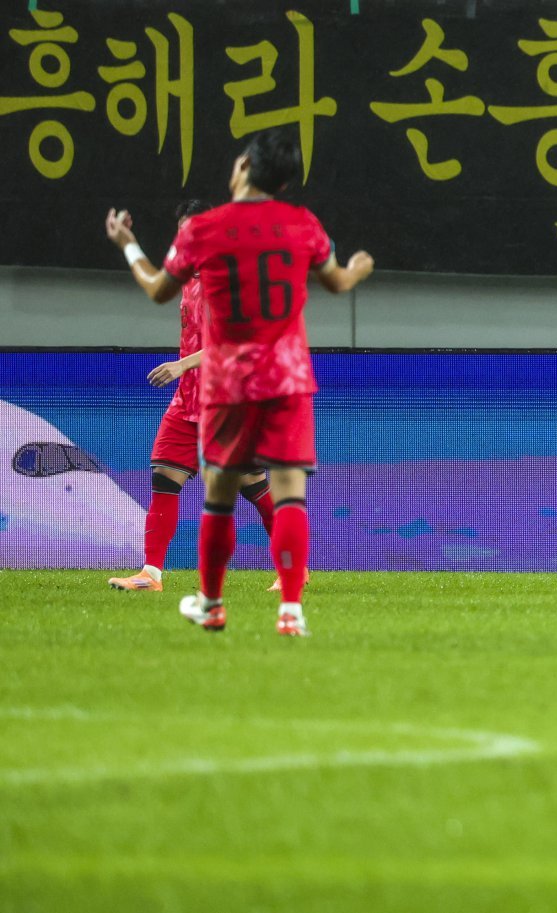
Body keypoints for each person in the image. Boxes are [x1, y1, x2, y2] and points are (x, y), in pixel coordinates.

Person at [104, 127, 374, 636]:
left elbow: (156, 288)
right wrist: (359, 268)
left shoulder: (206, 229)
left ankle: (211, 604)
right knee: (289, 491)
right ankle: (291, 611)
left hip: (228, 384)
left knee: (220, 494)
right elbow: (337, 281)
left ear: (247, 166)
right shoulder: (303, 224)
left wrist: (129, 246)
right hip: (290, 378)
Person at [107, 200, 283, 594]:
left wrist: (182, 365)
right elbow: (153, 282)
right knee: (164, 477)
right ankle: (150, 575)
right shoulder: (189, 275)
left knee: (252, 485)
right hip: (188, 403)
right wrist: (128, 244)